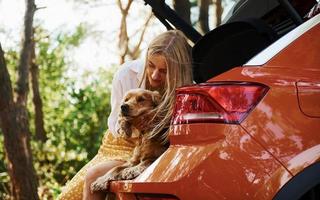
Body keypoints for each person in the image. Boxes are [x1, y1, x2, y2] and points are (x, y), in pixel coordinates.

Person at [58, 30, 193, 200]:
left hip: (157, 148)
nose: (154, 75)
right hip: (119, 145)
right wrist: (135, 127)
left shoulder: (188, 90)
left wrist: (157, 126)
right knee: (87, 181)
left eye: (164, 71)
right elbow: (115, 123)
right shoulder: (127, 74)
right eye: (150, 65)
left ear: (177, 71)